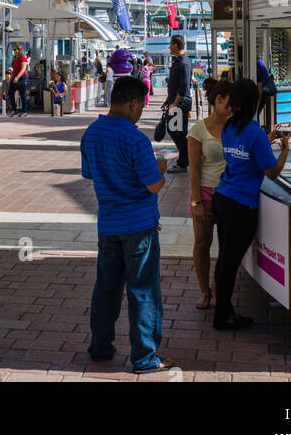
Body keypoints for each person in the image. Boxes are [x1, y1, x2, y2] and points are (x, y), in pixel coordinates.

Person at [80, 75, 171, 372]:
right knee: (142, 290)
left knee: (106, 287)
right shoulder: (136, 139)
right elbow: (154, 186)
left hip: (108, 225)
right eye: (141, 106)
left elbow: (91, 175)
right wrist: (161, 168)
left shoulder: (91, 134)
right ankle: (145, 357)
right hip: (139, 227)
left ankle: (100, 346)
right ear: (133, 103)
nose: (141, 112)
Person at [210, 78, 291, 331]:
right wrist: (285, 149)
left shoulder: (229, 127)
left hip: (222, 197)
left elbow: (243, 154)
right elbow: (271, 172)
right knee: (230, 263)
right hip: (241, 206)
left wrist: (265, 141)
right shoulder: (254, 132)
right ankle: (223, 316)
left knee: (224, 258)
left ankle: (222, 309)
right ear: (253, 103)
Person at [187, 77, 232, 309]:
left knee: (226, 249)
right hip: (204, 193)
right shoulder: (198, 130)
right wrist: (196, 202)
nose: (234, 108)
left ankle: (218, 287)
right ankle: (204, 291)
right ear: (218, 100)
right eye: (231, 103)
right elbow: (194, 171)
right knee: (202, 244)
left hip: (229, 196)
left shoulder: (237, 128)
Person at [163, 35, 192, 172]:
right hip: (175, 103)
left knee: (178, 132)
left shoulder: (184, 63)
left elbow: (184, 86)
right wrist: (168, 101)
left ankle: (184, 160)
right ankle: (185, 158)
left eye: (170, 44)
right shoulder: (178, 61)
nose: (169, 47)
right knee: (175, 131)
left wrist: (174, 103)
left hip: (180, 105)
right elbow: (175, 86)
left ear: (175, 45)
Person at [9, 44, 28, 116]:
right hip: (14, 77)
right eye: (13, 49)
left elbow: (23, 69)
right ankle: (14, 109)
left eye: (15, 49)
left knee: (22, 94)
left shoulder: (23, 58)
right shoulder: (15, 58)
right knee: (10, 92)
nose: (14, 51)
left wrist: (17, 77)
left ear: (18, 50)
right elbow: (13, 69)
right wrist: (11, 78)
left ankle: (24, 111)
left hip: (21, 78)